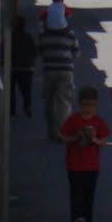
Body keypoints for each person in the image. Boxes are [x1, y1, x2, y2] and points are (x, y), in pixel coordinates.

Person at [59, 85, 110, 222]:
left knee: (89, 192)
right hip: (74, 164)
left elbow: (104, 141)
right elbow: (63, 137)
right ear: (79, 104)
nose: (88, 109)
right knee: (76, 191)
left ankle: (87, 218)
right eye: (85, 105)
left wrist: (94, 139)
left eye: (92, 105)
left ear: (96, 105)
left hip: (91, 165)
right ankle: (77, 217)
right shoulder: (73, 120)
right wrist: (76, 137)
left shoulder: (98, 122)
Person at [38, 10, 78, 141]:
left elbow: (39, 51)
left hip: (49, 71)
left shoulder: (44, 36)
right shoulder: (70, 35)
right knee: (64, 102)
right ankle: (64, 133)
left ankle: (52, 131)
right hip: (66, 71)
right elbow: (76, 53)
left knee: (49, 101)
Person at [10, 14, 36, 117]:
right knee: (26, 89)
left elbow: (4, 50)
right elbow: (34, 51)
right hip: (26, 67)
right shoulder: (28, 37)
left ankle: (12, 109)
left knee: (11, 90)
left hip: (12, 67)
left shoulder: (10, 37)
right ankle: (27, 106)